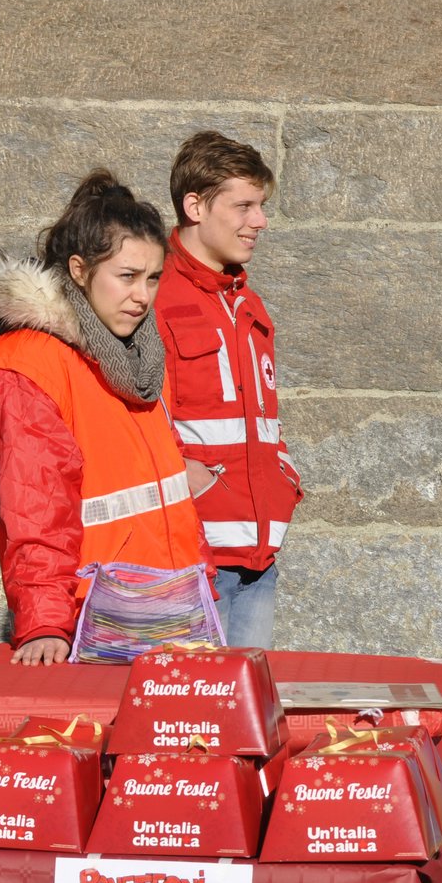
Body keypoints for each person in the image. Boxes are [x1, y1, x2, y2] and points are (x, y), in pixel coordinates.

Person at [0, 170, 214, 665]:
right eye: (126, 277)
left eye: (152, 278)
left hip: (174, 613)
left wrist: (200, 585)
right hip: (91, 627)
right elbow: (36, 507)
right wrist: (44, 624)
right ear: (78, 270)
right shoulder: (26, 363)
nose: (142, 297)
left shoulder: (141, 357)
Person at [155, 131, 302, 648]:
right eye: (243, 206)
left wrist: (284, 473)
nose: (259, 221)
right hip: (191, 558)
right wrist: (190, 478)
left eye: (260, 206)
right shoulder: (155, 297)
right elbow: (134, 420)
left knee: (243, 718)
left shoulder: (249, 303)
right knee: (194, 720)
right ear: (194, 206)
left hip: (259, 556)